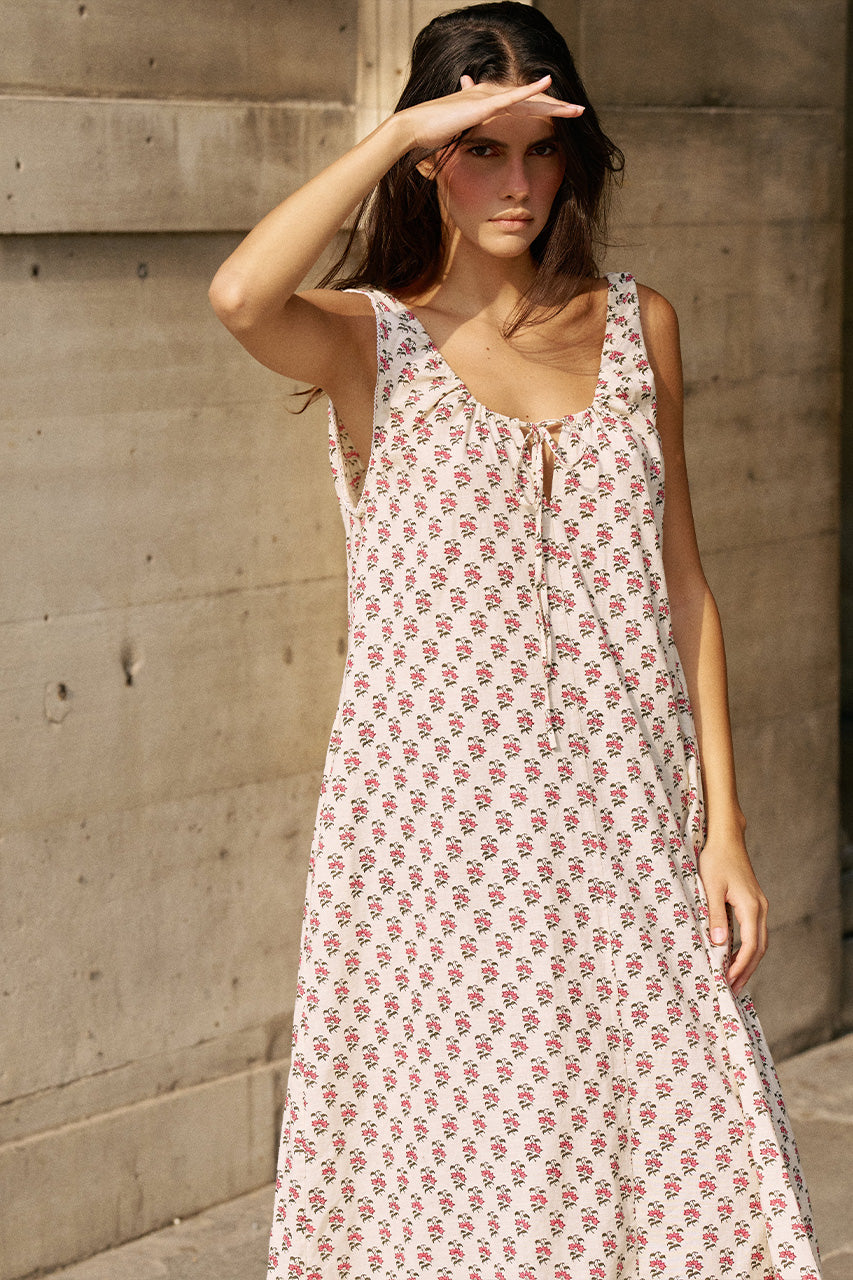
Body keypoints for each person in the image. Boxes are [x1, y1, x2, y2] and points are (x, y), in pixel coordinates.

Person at [209, 5, 822, 1277]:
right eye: (481, 150)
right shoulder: (369, 339)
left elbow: (686, 583)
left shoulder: (635, 321)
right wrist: (400, 130)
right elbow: (237, 293)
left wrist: (725, 827)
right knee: (463, 1165)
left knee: (681, 1153)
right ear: (430, 161)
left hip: (623, 816)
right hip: (437, 843)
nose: (519, 183)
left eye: (540, 150)